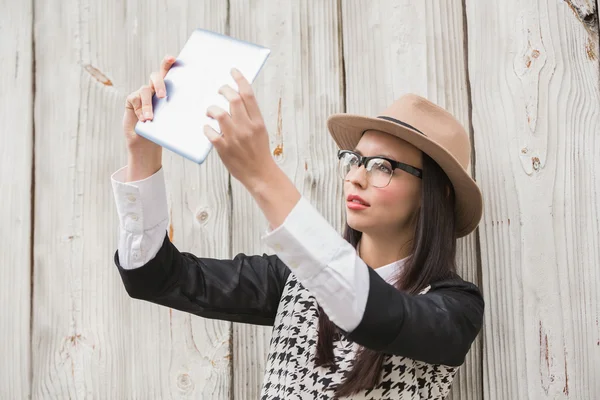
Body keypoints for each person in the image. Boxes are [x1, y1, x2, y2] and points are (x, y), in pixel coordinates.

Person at [111, 54, 485, 399]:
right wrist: (142, 155)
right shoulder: (295, 278)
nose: (355, 177)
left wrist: (263, 175)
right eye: (354, 160)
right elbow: (153, 276)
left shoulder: (454, 307)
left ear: (438, 196)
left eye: (382, 167)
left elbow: (372, 313)